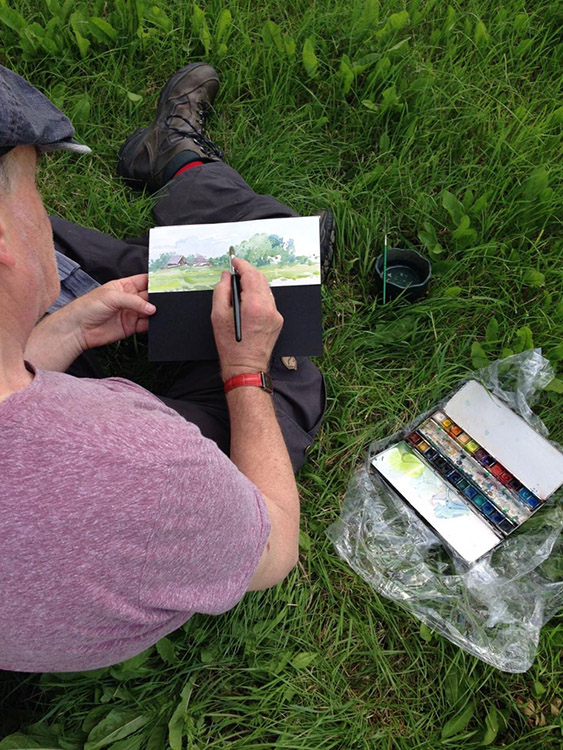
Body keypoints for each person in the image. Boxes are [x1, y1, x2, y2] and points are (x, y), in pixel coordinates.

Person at [0, 63, 328, 672]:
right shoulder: (142, 464)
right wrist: (246, 370)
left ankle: (193, 177)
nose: (41, 208)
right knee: (285, 358)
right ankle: (186, 165)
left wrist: (63, 331)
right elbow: (276, 549)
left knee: (151, 275)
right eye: (33, 190)